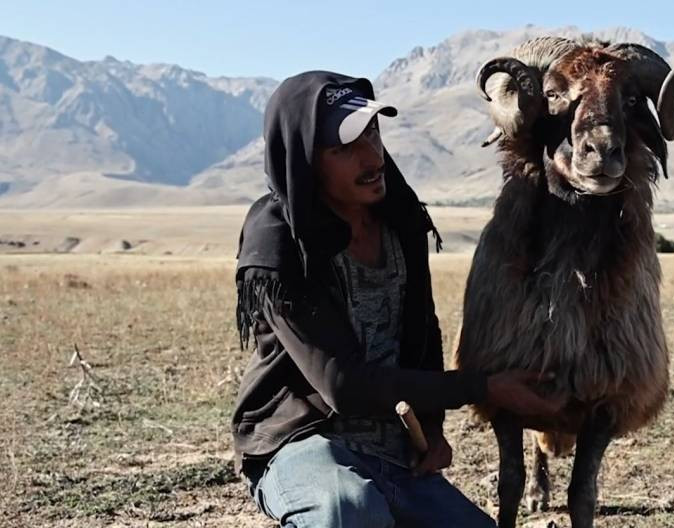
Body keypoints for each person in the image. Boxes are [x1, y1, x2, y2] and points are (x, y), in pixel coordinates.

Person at [232, 71, 564, 528]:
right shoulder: (279, 239)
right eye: (344, 147)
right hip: (301, 442)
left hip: (391, 450)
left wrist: (431, 427)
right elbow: (343, 385)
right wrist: (482, 386)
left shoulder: (397, 216)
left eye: (372, 132)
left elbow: (421, 330)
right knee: (346, 510)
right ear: (305, 161)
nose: (371, 157)